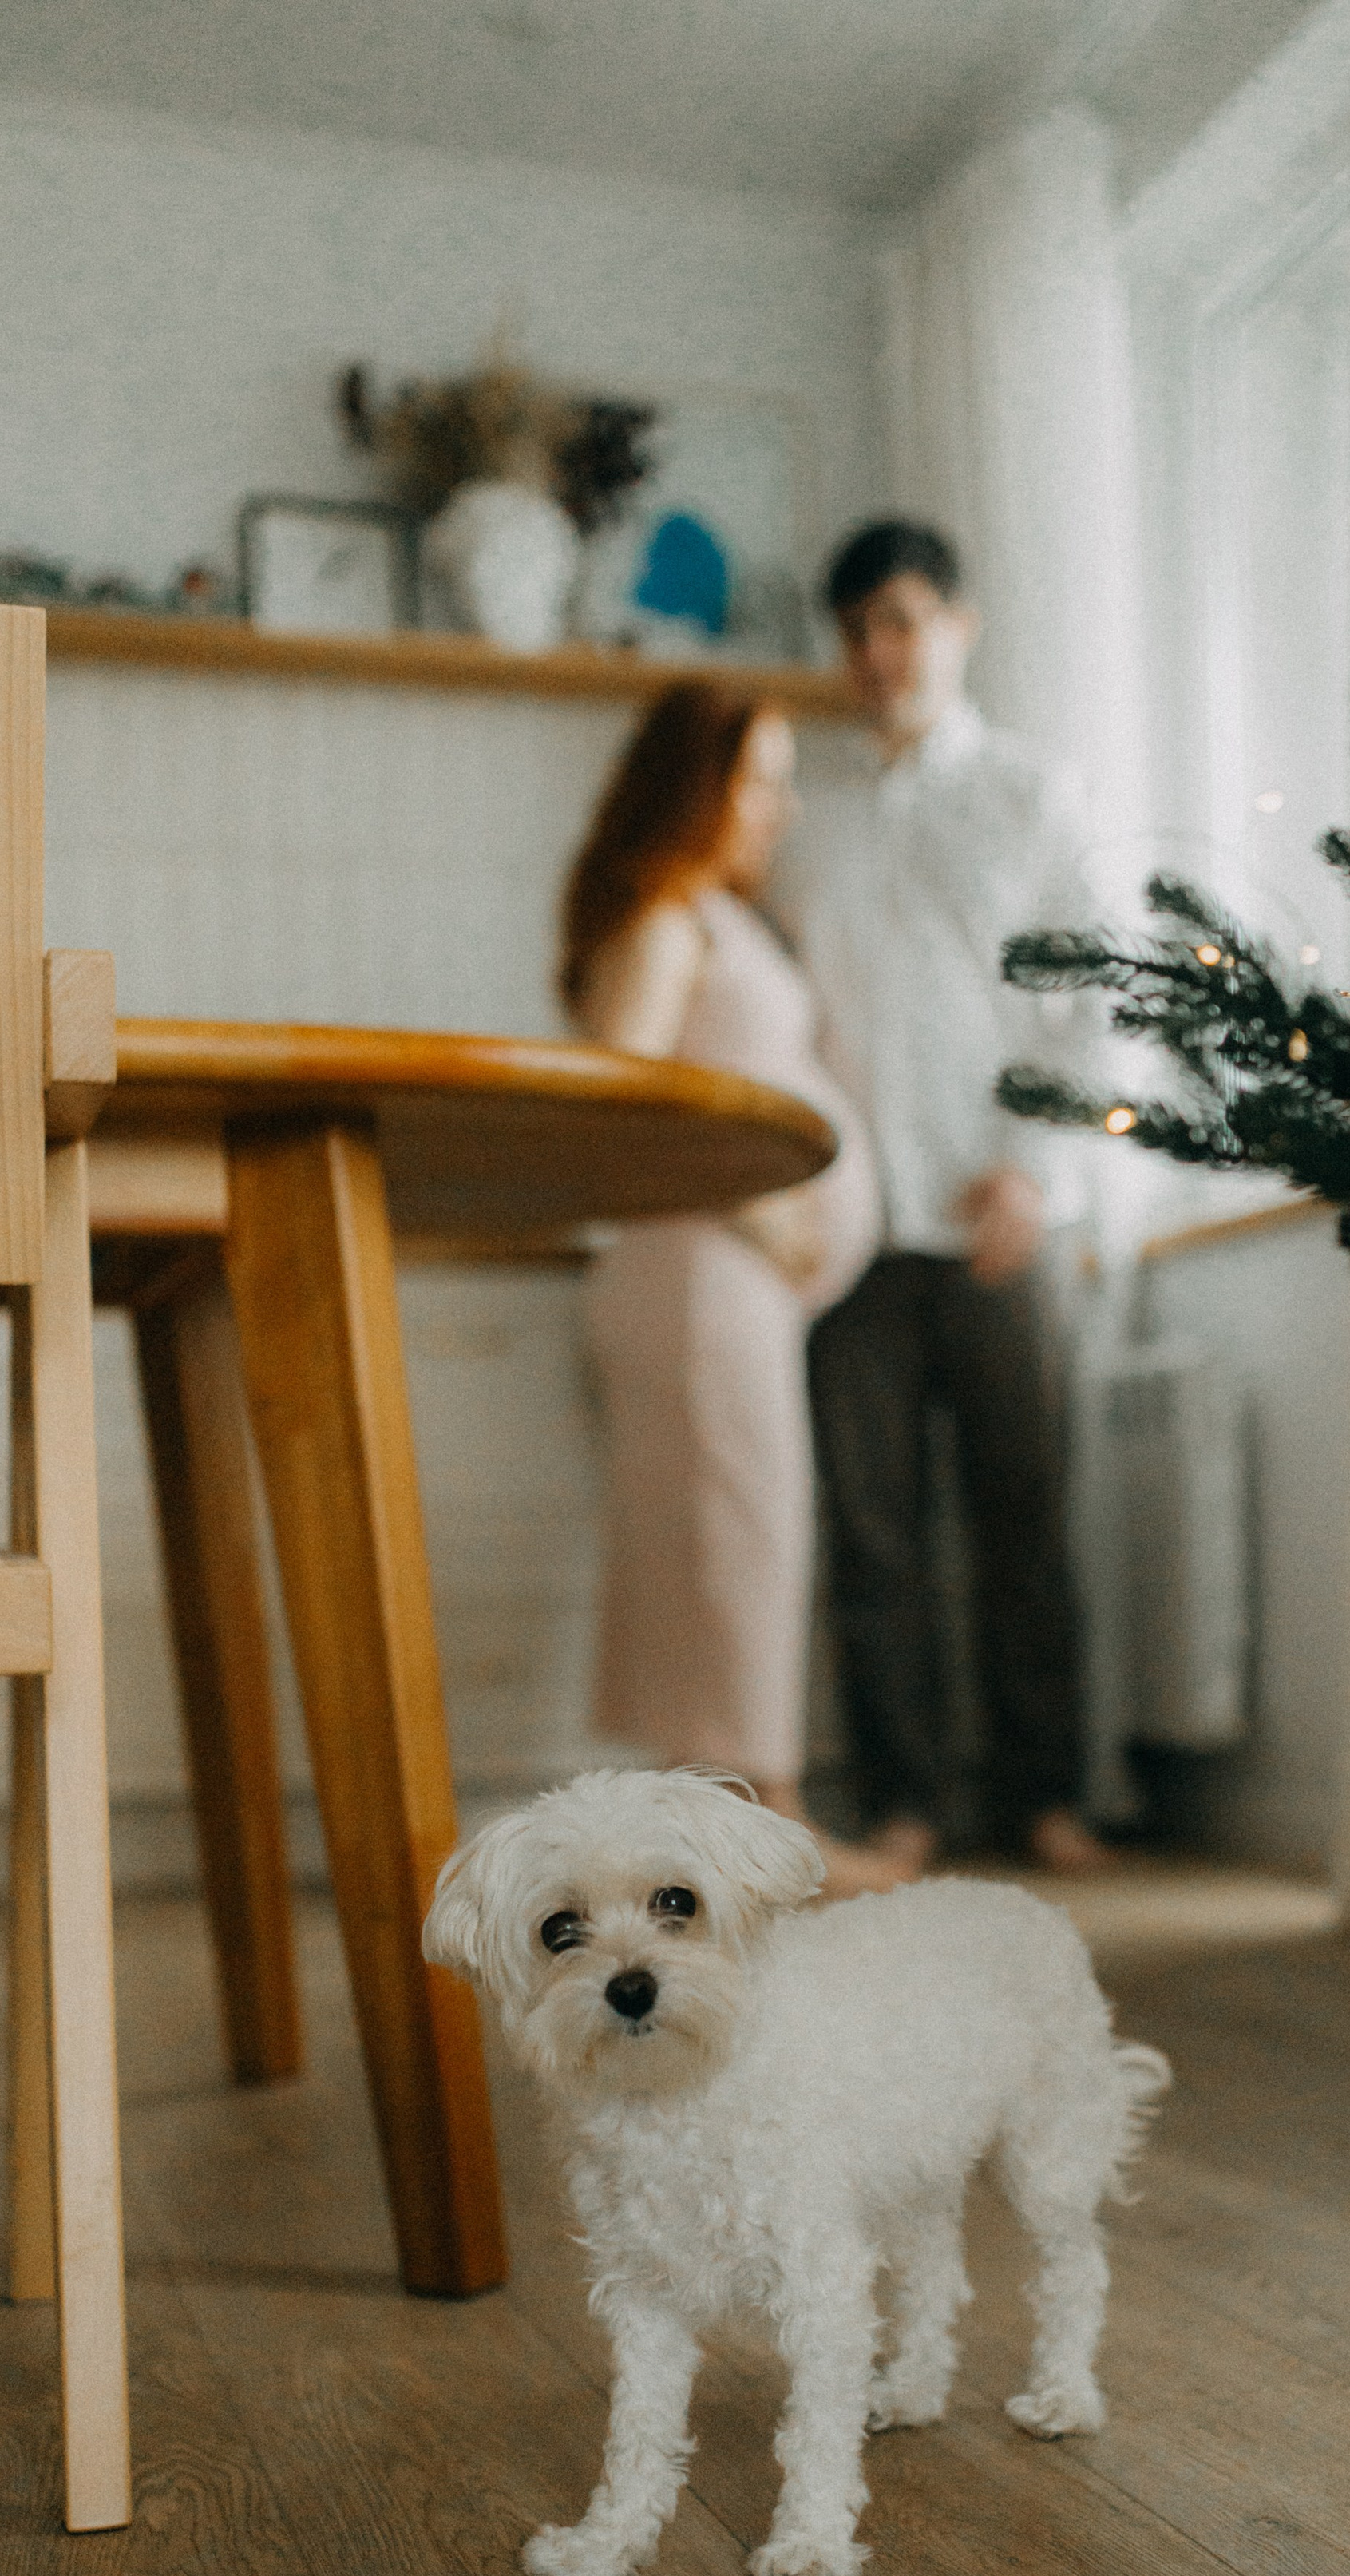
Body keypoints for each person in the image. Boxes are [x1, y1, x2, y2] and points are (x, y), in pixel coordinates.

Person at [785, 518, 1116, 1879]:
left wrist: (1037, 1171)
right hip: (850, 1228)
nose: (879, 653)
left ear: (959, 626)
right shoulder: (803, 829)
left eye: (904, 621)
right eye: (859, 629)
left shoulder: (1038, 797)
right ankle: (904, 1803)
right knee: (871, 1536)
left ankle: (1045, 1796)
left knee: (1025, 1518)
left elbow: (1089, 1003)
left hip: (1003, 1221)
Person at [561, 680, 888, 1883]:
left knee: (728, 1546)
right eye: (760, 779)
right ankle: (772, 1824)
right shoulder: (667, 917)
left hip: (725, 1286)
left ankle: (727, 1830)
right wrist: (758, 1202)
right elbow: (615, 1100)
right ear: (698, 786)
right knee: (736, 1545)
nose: (782, 808)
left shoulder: (714, 915)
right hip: (699, 1276)